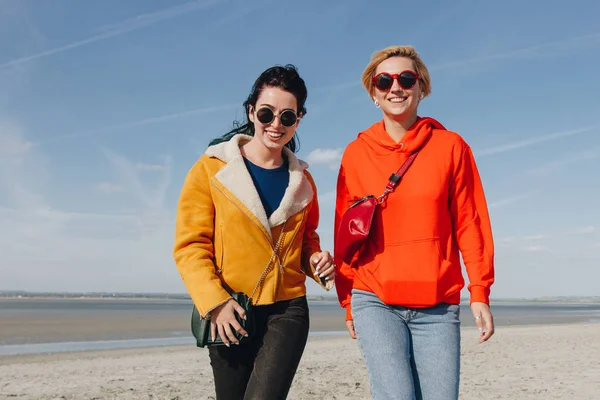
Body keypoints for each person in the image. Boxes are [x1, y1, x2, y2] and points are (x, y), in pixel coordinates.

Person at [333, 45, 495, 400]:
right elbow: (346, 234)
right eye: (384, 80)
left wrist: (479, 292)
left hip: (437, 302)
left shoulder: (452, 147)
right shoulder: (355, 153)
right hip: (374, 298)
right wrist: (347, 301)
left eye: (407, 78)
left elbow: (471, 222)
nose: (396, 87)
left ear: (421, 88)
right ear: (373, 93)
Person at [173, 64, 335, 400]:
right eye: (267, 113)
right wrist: (215, 302)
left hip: (287, 310)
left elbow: (307, 242)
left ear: (298, 119)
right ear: (252, 111)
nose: (276, 124)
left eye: (287, 117)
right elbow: (190, 246)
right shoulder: (211, 169)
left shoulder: (304, 183)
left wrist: (317, 261)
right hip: (230, 308)